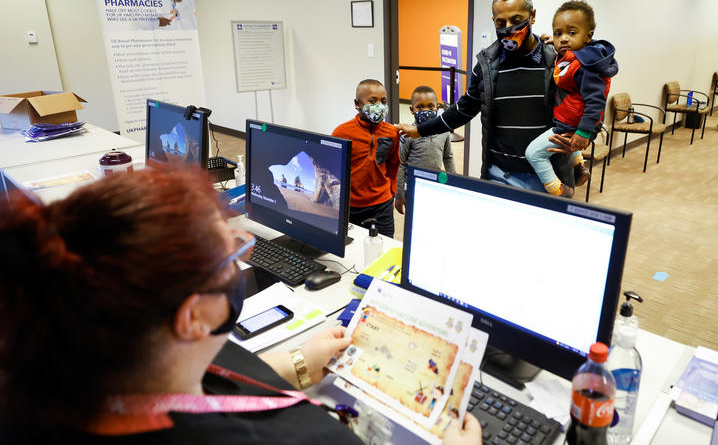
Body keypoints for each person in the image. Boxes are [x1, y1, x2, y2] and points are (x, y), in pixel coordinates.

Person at [0, 168, 480, 445]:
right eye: (229, 256)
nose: (242, 253)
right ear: (192, 317)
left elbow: (208, 391)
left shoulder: (68, 373)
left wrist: (297, 360)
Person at [397, 0, 574, 194]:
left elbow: (588, 96)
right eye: (501, 22)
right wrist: (420, 130)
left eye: (516, 20)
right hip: (499, 176)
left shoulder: (557, 61)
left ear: (532, 16)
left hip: (547, 177)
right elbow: (463, 109)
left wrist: (585, 135)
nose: (508, 28)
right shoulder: (486, 66)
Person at [525, 0, 618, 197]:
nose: (564, 39)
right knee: (568, 139)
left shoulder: (587, 67)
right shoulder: (579, 56)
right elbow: (565, 64)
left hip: (574, 123)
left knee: (533, 153)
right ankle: (579, 167)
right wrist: (552, 41)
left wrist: (584, 132)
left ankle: (558, 189)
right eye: (559, 33)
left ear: (588, 36)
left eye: (572, 33)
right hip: (571, 119)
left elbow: (596, 101)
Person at [332, 79, 401, 237]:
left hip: (382, 204)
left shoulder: (392, 133)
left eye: (383, 101)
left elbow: (394, 164)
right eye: (372, 101)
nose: (380, 106)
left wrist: (392, 192)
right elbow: (334, 169)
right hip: (351, 205)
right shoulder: (341, 132)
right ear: (358, 104)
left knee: (384, 245)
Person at [395, 85, 456, 214]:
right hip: (413, 185)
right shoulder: (408, 135)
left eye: (430, 106)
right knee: (414, 215)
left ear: (437, 108)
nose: (426, 110)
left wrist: (454, 181)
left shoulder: (444, 132)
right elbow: (401, 164)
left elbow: (448, 157)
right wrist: (399, 194)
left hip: (435, 184)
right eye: (420, 107)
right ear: (412, 109)